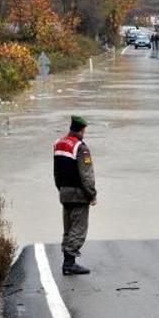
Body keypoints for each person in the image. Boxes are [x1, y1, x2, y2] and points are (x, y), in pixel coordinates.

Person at [53, 115, 97, 275]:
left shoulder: (59, 144)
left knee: (68, 228)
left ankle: (68, 262)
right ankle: (69, 263)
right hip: (79, 194)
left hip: (64, 192)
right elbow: (86, 175)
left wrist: (61, 189)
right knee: (78, 229)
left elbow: (56, 173)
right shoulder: (80, 148)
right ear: (82, 129)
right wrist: (92, 194)